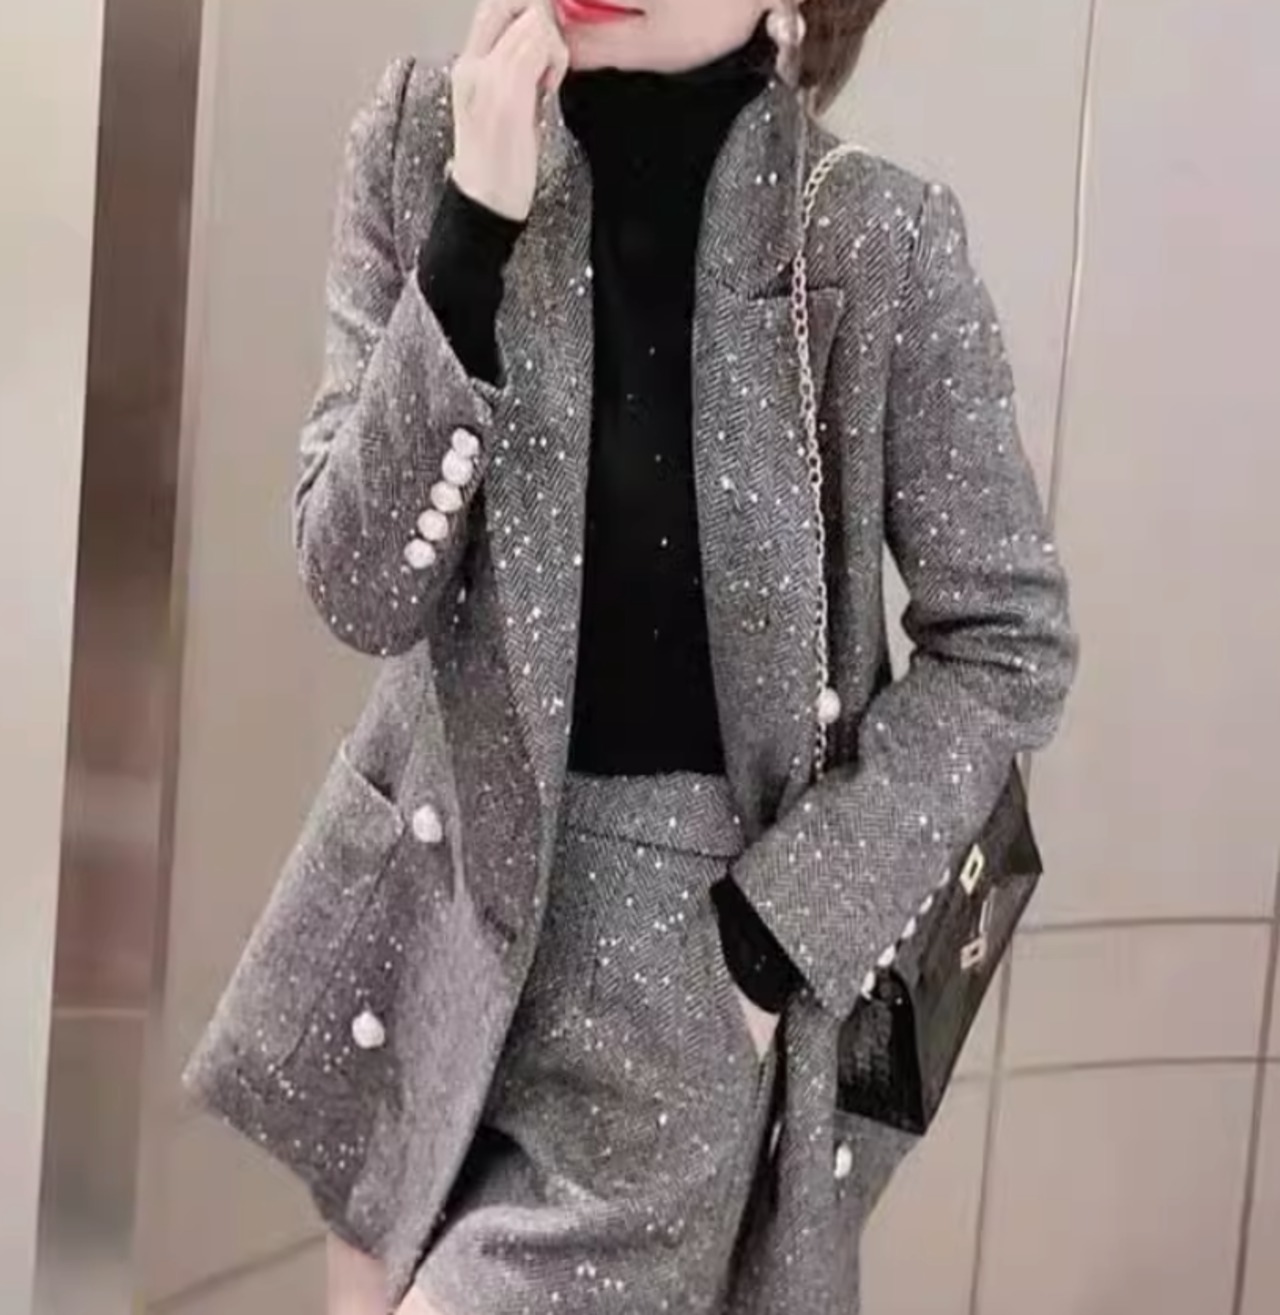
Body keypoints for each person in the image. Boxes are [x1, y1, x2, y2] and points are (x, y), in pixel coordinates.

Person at [186, 1, 1078, 1312]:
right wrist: (473, 230)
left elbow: (1007, 644)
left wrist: (771, 941)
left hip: (675, 989)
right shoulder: (422, 142)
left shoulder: (872, 235)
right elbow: (361, 587)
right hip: (428, 934)